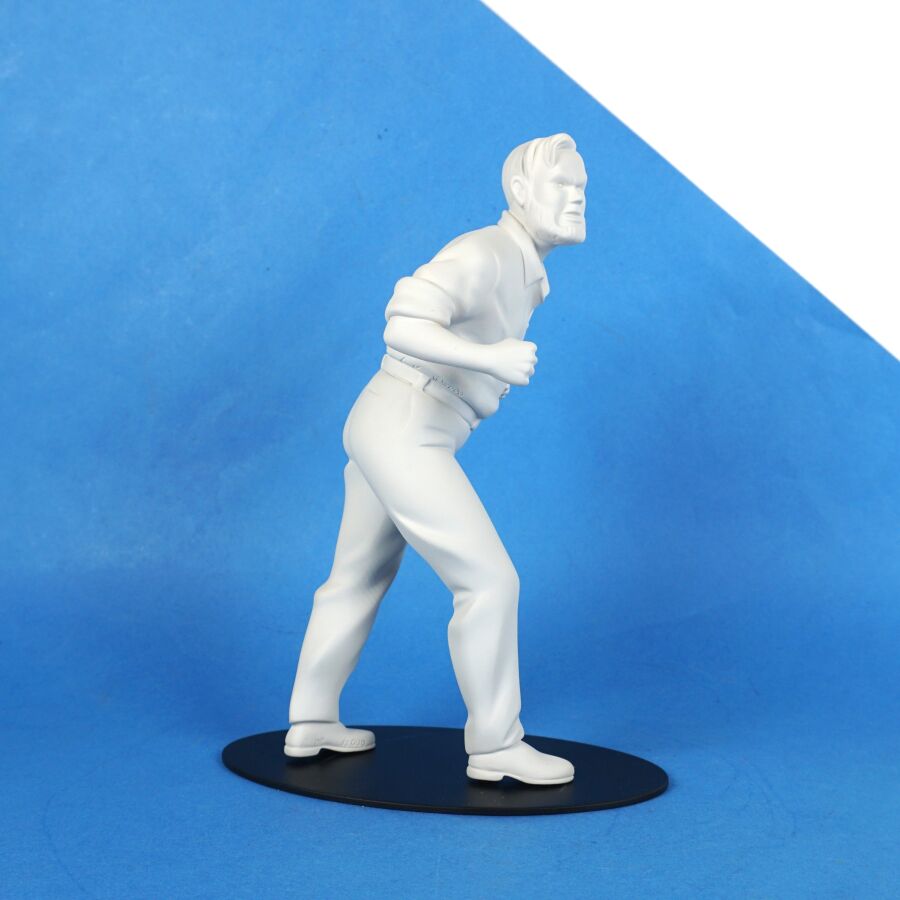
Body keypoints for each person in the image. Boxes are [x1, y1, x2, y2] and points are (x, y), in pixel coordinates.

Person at [286, 134, 587, 785]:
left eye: (581, 188)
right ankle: (496, 744)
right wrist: (488, 357)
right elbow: (402, 323)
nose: (577, 199)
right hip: (407, 423)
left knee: (357, 576)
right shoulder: (485, 253)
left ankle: (311, 719)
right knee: (490, 581)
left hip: (395, 421)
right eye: (563, 186)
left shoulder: (524, 270)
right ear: (520, 192)